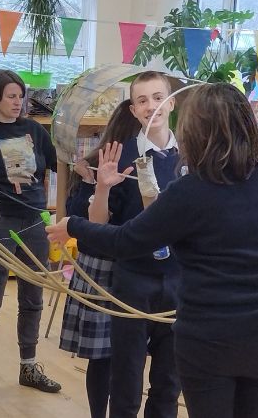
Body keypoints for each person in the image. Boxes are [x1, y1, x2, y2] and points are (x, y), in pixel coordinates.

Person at [47, 82, 258, 418]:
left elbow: (127, 240)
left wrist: (73, 225)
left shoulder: (190, 191)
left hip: (211, 340)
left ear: (195, 131)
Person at [81, 71, 182, 418]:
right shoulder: (120, 156)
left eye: (157, 97)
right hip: (133, 281)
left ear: (172, 102)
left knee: (168, 383)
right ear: (134, 110)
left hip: (180, 283)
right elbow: (97, 224)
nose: (151, 106)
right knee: (125, 385)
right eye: (142, 100)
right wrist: (103, 186)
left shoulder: (193, 156)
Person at [0, 69, 61, 392]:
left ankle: (28, 366)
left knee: (33, 296)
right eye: (11, 96)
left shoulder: (35, 131)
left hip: (35, 220)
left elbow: (55, 164)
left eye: (20, 96)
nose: (18, 102)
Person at [59, 100, 138, 418]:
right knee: (106, 356)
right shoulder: (98, 164)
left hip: (118, 265)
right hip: (104, 266)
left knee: (115, 356)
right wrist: (93, 185)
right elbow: (79, 219)